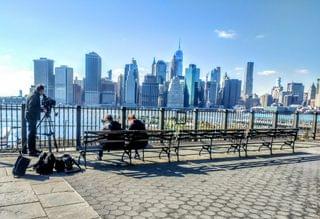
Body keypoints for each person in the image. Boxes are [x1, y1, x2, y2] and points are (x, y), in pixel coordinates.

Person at [23, 84, 45, 156]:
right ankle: (31, 151)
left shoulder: (33, 94)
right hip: (31, 116)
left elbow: (33, 107)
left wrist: (40, 108)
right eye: (43, 90)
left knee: (32, 133)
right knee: (32, 134)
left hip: (31, 116)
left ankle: (33, 149)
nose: (43, 92)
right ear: (40, 90)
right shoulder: (34, 96)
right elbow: (31, 107)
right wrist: (41, 109)